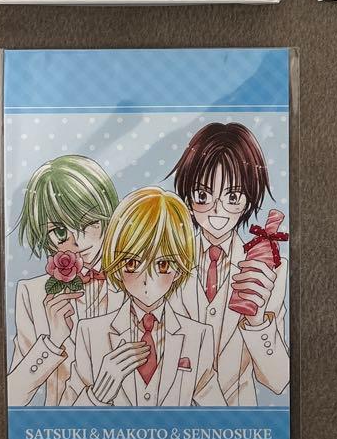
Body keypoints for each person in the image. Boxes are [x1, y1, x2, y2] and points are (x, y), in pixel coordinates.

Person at [66, 187, 224, 407]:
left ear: (179, 269)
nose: (147, 279)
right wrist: (97, 395)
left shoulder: (198, 336)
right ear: (116, 266)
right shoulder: (91, 333)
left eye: (163, 264)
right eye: (132, 263)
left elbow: (219, 417)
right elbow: (66, 421)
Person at [169, 123, 289, 405]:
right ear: (187, 198)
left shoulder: (270, 268)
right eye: (203, 196)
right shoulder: (167, 261)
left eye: (232, 197)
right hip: (174, 416)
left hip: (239, 419)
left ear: (248, 200)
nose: (217, 210)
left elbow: (278, 380)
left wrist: (257, 322)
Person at [7, 155, 120, 407]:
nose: (77, 241)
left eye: (89, 222)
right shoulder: (33, 294)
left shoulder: (140, 282)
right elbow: (12, 397)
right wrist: (52, 342)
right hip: (60, 426)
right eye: (60, 231)